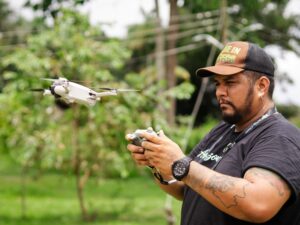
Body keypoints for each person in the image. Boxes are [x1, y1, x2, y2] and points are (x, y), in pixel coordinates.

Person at [126, 41, 300, 225]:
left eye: (230, 83)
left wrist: (181, 164)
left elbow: (258, 203)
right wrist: (158, 161)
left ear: (261, 86)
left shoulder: (280, 137)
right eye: (217, 83)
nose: (219, 92)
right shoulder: (224, 129)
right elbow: (185, 187)